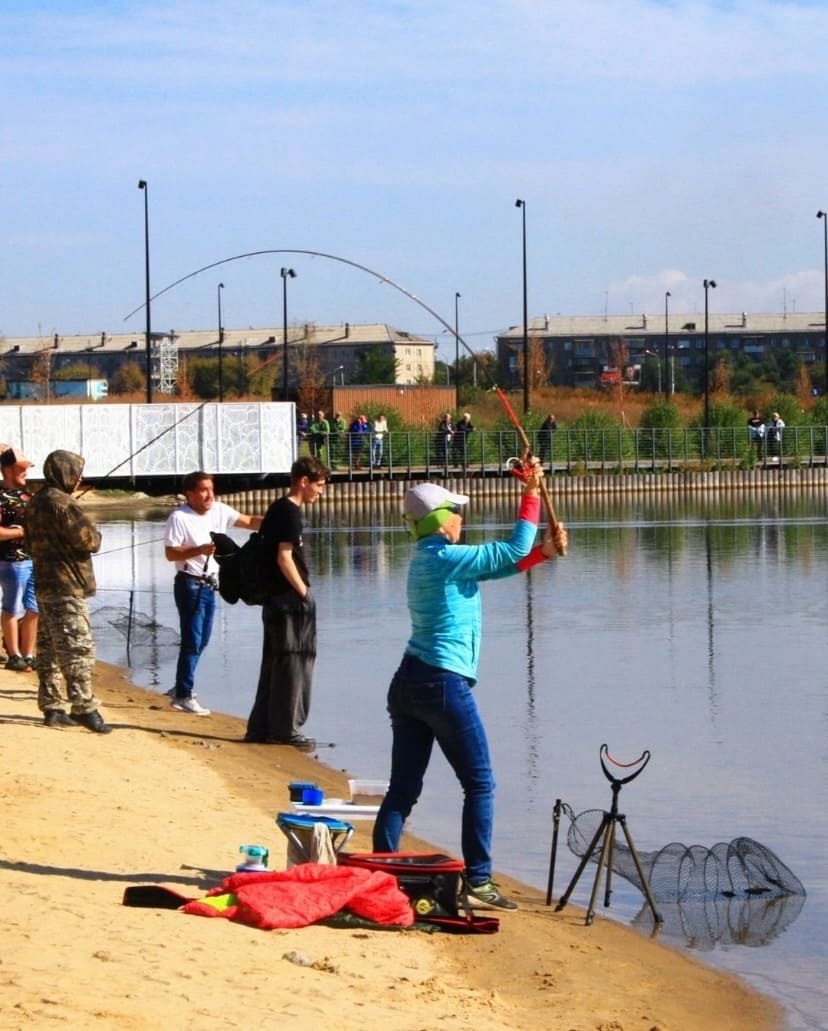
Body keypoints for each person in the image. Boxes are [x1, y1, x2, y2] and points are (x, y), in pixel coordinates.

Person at [372, 470, 568, 910]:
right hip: (442, 683)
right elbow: (513, 548)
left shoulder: (432, 560)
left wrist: (545, 553)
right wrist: (531, 493)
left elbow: (502, 565)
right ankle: (479, 881)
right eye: (456, 511)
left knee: (403, 789)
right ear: (441, 521)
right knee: (480, 784)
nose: (462, 517)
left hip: (408, 683)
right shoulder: (444, 557)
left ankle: (382, 872)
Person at [244, 455, 329, 747]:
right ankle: (285, 730)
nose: (321, 491)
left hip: (274, 600)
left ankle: (262, 728)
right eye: (319, 484)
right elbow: (284, 557)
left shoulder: (277, 509)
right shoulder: (290, 512)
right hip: (288, 600)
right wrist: (303, 592)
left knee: (275, 662)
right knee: (294, 663)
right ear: (303, 482)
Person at [24, 450, 109, 732]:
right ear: (66, 473)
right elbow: (90, 541)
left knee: (48, 650)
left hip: (44, 585)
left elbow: (27, 543)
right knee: (78, 649)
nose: (80, 478)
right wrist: (91, 526)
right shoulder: (64, 504)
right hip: (67, 587)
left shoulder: (35, 502)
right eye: (77, 472)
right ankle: (84, 707)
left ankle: (52, 706)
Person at [164, 471, 262, 716]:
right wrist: (200, 549)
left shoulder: (218, 510)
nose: (209, 495)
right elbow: (171, 553)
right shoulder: (179, 517)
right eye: (203, 490)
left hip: (210, 584)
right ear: (190, 494)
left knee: (203, 640)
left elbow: (249, 521)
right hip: (189, 583)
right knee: (192, 640)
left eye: (211, 488)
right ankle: (183, 695)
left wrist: (277, 523)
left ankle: (181, 685)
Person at [0, 447, 38, 672]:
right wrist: (22, 532)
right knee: (12, 608)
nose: (26, 473)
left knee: (34, 609)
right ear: (7, 469)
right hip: (10, 562)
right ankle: (14, 655)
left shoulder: (29, 496)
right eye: (21, 468)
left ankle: (29, 654)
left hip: (35, 560)